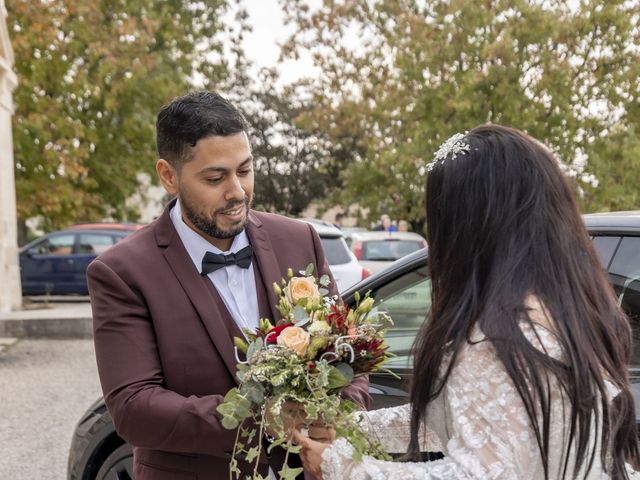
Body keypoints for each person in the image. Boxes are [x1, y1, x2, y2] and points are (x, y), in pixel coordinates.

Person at [293, 125, 640, 479]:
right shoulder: (570, 311)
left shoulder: (493, 339)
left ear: (465, 225)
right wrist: (354, 427)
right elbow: (483, 422)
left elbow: (480, 473)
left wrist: (343, 468)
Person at [87, 91, 371, 480]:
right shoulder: (121, 271)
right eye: (215, 178)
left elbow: (346, 354)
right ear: (169, 176)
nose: (237, 191)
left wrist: (341, 415)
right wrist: (264, 421)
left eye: (245, 170)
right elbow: (134, 408)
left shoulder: (299, 239)